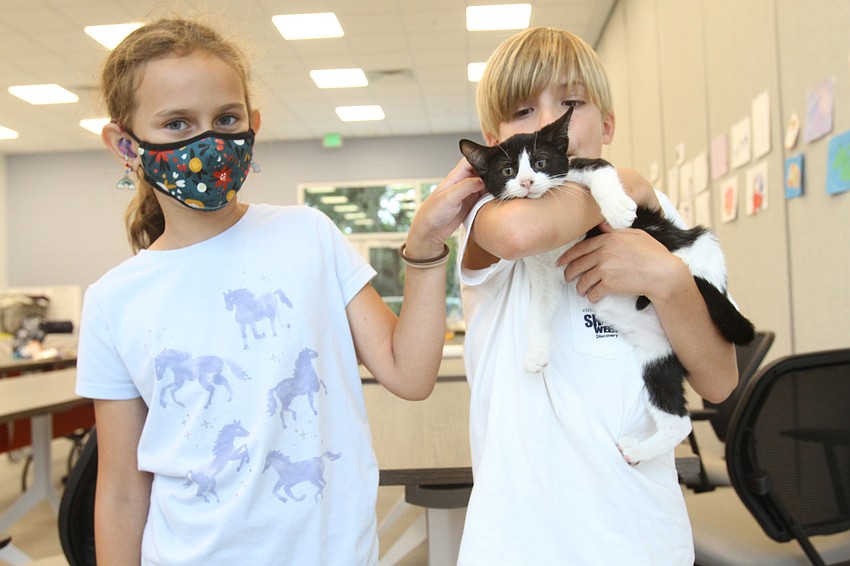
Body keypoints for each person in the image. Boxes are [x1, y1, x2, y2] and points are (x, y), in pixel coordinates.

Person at [75, 18, 484, 565]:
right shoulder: (112, 301)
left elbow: (409, 374)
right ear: (125, 144)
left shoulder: (308, 234)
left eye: (226, 119)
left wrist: (427, 245)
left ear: (253, 125)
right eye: (177, 123)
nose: (210, 142)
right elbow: (123, 489)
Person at [455, 27, 739, 564]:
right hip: (518, 544)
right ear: (496, 143)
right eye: (521, 112)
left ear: (607, 123)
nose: (545, 122)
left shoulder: (659, 222)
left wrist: (668, 280)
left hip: (643, 537)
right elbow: (524, 236)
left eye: (570, 102)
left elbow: (721, 381)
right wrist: (623, 183)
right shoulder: (488, 216)